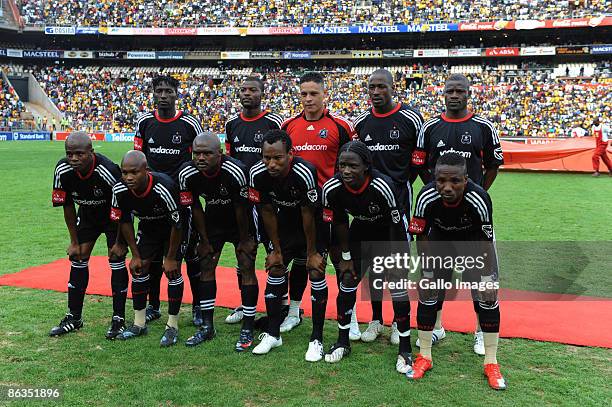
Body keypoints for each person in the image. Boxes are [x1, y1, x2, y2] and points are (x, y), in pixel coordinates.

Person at [411, 74, 504, 354]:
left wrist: (475, 193)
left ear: (468, 94)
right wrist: (438, 193)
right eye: (449, 90)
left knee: (482, 278)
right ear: (443, 94)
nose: (454, 95)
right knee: (436, 276)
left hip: (473, 219)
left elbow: (493, 165)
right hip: (440, 220)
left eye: (459, 91)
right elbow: (420, 164)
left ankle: (480, 332)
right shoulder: (429, 127)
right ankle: (437, 327)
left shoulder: (483, 127)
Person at [407, 153, 506, 390]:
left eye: (455, 181)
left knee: (487, 297)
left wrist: (484, 276)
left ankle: (491, 362)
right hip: (440, 243)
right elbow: (421, 235)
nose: (447, 187)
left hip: (473, 244)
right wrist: (427, 269)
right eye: (441, 181)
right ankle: (425, 356)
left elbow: (485, 241)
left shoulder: (479, 198)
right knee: (428, 293)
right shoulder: (426, 196)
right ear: (434, 178)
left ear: (467, 179)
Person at [281, 71, 360, 340]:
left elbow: (353, 163)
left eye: (313, 93)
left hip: (332, 208)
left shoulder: (341, 126)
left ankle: (350, 316)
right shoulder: (288, 125)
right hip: (298, 208)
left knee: (341, 262)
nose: (308, 98)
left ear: (324, 94)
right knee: (302, 261)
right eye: (303, 93)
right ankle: (294, 311)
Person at [322, 141, 413, 374]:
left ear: (366, 167)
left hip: (390, 233)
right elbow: (341, 222)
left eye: (352, 165)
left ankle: (405, 349)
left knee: (397, 287)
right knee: (347, 283)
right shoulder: (333, 188)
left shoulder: (383, 185)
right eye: (342, 165)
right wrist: (346, 257)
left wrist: (395, 259)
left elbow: (396, 225)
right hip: (361, 231)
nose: (346, 171)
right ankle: (343, 341)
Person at [354, 68, 424, 344]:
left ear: (393, 88)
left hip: (399, 203)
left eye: (381, 87)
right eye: (372, 87)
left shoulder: (410, 118)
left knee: (397, 266)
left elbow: (418, 161)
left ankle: (399, 321)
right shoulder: (362, 123)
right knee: (373, 267)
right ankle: (375, 320)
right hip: (370, 208)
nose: (376, 92)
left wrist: (401, 184)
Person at [248, 130, 328, 361]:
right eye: (266, 158)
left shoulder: (304, 172)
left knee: (314, 271)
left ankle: (317, 339)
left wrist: (313, 252)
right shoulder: (257, 174)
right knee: (275, 268)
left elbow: (308, 212)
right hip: (284, 227)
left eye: (278, 158)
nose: (271, 164)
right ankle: (273, 334)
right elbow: (266, 210)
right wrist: (275, 250)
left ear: (290, 154)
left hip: (313, 225)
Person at [133, 75, 205, 327]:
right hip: (151, 201)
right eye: (159, 90)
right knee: (151, 257)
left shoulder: (189, 124)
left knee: (190, 255)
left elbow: (198, 160)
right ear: (153, 94)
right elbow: (138, 159)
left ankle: (197, 307)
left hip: (182, 199)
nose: (163, 95)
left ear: (177, 94)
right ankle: (153, 306)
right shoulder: (144, 122)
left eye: (168, 91)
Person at [178, 133, 258, 351]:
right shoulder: (187, 173)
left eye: (207, 153)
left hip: (241, 221)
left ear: (220, 154)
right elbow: (195, 207)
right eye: (197, 153)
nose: (201, 158)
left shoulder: (237, 171)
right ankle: (207, 326)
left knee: (246, 264)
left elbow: (242, 207)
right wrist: (204, 240)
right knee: (206, 263)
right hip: (213, 220)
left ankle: (248, 327)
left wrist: (244, 240)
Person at [50, 131, 128, 340]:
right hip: (87, 216)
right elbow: (66, 205)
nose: (73, 159)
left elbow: (123, 206)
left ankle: (119, 319)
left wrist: (120, 242)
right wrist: (74, 241)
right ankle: (74, 317)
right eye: (69, 154)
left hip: (114, 218)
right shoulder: (62, 169)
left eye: (79, 154)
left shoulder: (107, 170)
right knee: (78, 257)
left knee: (116, 260)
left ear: (91, 153)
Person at [224, 76, 283, 325]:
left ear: (262, 93)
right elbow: (228, 160)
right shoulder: (231, 124)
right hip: (241, 201)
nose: (247, 93)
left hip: (268, 200)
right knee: (243, 253)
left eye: (253, 90)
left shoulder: (273, 122)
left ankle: (280, 306)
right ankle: (244, 303)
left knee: (275, 252)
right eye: (243, 90)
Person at [110, 151, 185, 347]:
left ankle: (172, 326)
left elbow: (178, 224)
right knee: (139, 268)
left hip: (173, 229)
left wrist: (170, 258)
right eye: (124, 172)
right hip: (149, 227)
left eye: (134, 172)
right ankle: (139, 323)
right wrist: (135, 255)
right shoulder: (119, 189)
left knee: (173, 271)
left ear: (147, 171)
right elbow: (124, 221)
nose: (128, 177)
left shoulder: (164, 187)